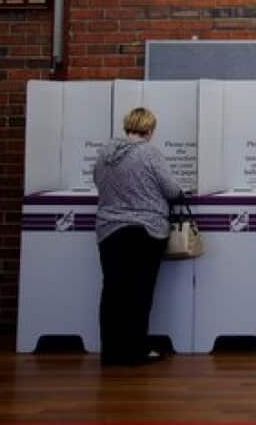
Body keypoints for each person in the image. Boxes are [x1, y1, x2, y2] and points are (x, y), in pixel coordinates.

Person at [92, 106, 182, 366]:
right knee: (139, 294)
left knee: (112, 293)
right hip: (145, 231)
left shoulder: (105, 153)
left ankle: (111, 352)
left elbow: (98, 182)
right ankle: (135, 350)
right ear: (149, 130)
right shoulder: (149, 153)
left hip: (109, 230)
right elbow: (171, 189)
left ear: (126, 126)